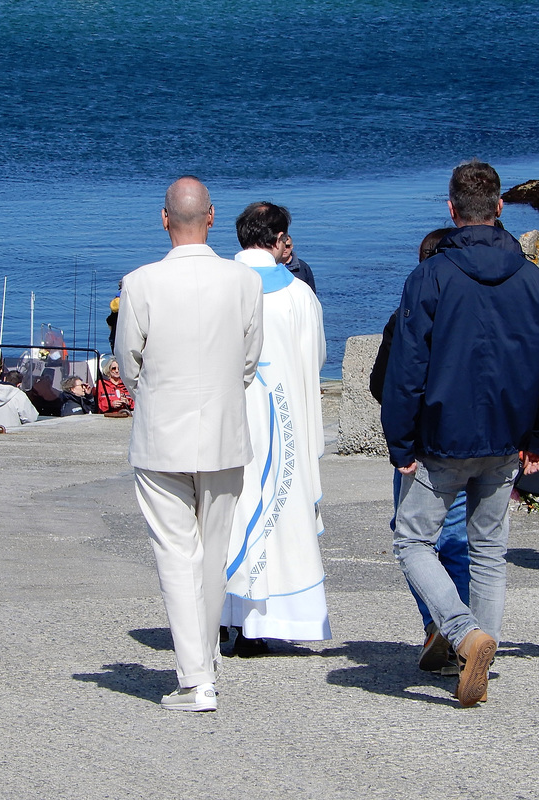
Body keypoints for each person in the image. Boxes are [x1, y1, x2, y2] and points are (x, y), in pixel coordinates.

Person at [381, 160, 539, 707]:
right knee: (489, 549)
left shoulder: (430, 277)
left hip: (443, 434)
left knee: (412, 538)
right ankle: (476, 653)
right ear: (501, 208)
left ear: (452, 210)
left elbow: (408, 366)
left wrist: (401, 440)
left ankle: (464, 634)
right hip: (507, 434)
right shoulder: (534, 280)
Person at [115, 176, 264, 711]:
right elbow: (249, 360)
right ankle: (206, 665)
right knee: (213, 553)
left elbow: (128, 363)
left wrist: (154, 394)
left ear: (163, 219)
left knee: (176, 553)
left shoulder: (140, 283)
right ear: (212, 217)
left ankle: (194, 678)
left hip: (162, 436)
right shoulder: (244, 282)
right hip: (225, 433)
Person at [220, 202, 329, 655]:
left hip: (227, 420)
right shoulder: (298, 295)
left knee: (229, 513)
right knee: (276, 510)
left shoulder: (218, 286)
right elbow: (317, 357)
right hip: (281, 420)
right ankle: (264, 622)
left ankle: (224, 617)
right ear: (279, 236)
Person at [371, 227, 468, 677]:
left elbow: (382, 384)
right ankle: (466, 633)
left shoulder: (404, 315)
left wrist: (400, 442)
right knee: (460, 542)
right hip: (475, 443)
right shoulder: (472, 310)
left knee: (413, 538)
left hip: (423, 447)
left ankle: (439, 625)